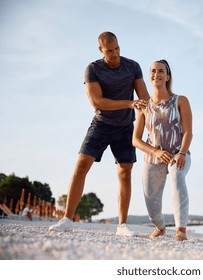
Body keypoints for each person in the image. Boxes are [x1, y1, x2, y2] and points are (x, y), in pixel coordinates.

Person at [49, 32, 149, 236]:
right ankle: (67, 219)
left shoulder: (132, 67)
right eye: (110, 51)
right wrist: (129, 103)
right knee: (81, 165)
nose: (114, 54)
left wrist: (150, 127)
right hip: (101, 124)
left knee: (125, 173)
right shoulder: (93, 69)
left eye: (117, 49)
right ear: (101, 50)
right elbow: (97, 102)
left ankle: (122, 225)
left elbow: (145, 99)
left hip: (125, 127)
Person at [132, 59, 193, 241]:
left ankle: (181, 230)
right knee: (151, 201)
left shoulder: (180, 101)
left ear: (167, 76)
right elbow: (135, 140)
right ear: (149, 76)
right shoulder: (144, 107)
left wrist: (181, 152)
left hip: (178, 154)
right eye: (152, 71)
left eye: (160, 71)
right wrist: (156, 152)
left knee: (177, 175)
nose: (156, 74)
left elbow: (188, 132)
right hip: (153, 158)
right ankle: (160, 227)